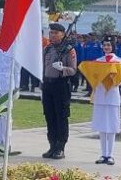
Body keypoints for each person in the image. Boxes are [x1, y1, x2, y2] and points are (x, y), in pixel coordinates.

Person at [79, 35, 121, 166]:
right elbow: (92, 76)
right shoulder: (97, 61)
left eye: (109, 45)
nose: (107, 47)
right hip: (100, 95)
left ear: (113, 47)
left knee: (111, 126)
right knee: (102, 126)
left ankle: (110, 154)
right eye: (105, 45)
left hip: (112, 95)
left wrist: (113, 77)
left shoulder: (119, 61)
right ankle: (102, 154)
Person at [41, 23, 77, 160]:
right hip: (48, 85)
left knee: (61, 116)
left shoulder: (69, 50)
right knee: (49, 116)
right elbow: (43, 67)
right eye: (51, 33)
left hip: (61, 85)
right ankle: (52, 145)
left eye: (56, 33)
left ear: (62, 34)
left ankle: (60, 147)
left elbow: (73, 70)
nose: (53, 35)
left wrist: (63, 69)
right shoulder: (48, 49)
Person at [0, 41, 20, 150]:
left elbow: (17, 68)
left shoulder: (14, 47)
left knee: (6, 115)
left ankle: (7, 143)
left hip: (8, 83)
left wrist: (16, 86)